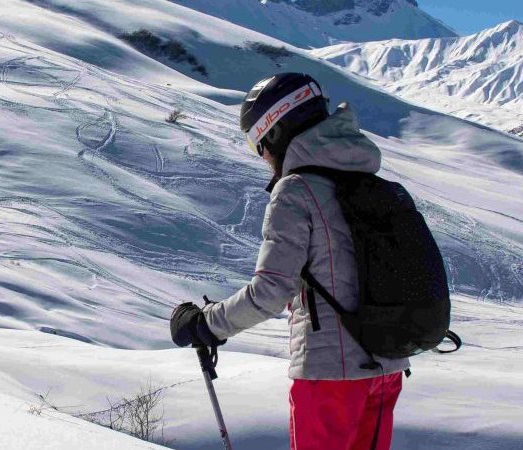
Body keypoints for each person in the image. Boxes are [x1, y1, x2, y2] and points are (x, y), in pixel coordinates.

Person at [169, 73, 407, 450]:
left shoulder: (295, 191)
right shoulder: (371, 183)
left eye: (258, 144)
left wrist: (206, 325)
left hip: (330, 379)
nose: (262, 157)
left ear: (276, 132)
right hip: (386, 370)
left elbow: (270, 292)